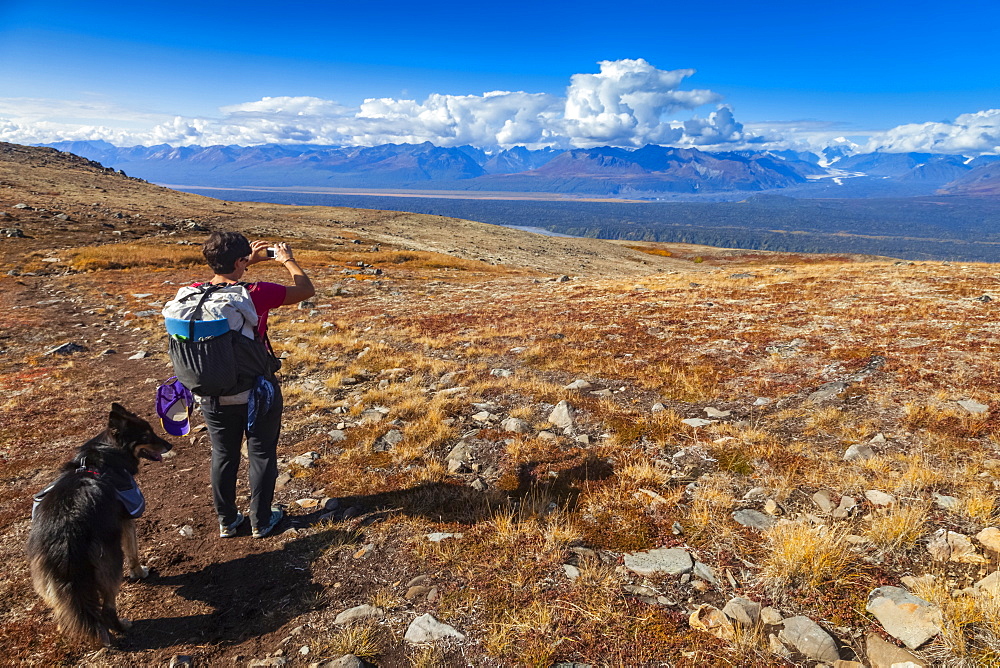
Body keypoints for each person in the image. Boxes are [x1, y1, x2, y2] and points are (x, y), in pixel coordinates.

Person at [196, 231, 315, 539]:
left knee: (223, 455)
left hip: (211, 390)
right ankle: (261, 521)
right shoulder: (256, 292)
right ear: (240, 261)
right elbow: (305, 289)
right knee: (261, 452)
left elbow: (223, 283)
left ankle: (227, 521)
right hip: (255, 389)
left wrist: (247, 261)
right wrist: (287, 260)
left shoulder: (194, 293)